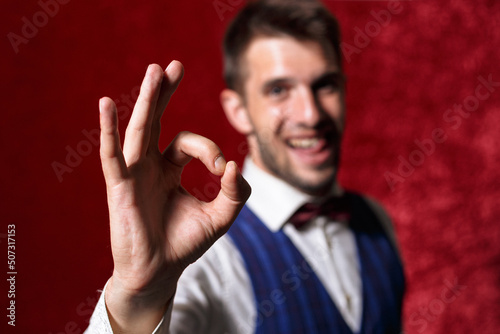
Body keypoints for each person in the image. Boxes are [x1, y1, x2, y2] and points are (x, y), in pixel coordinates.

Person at [86, 0, 405, 333]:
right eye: (279, 90)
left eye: (325, 85)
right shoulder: (199, 255)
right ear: (238, 110)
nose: (311, 114)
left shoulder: (377, 220)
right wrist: (141, 296)